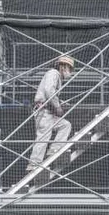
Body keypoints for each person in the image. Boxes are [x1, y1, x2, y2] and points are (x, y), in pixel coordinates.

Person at [26, 56, 74, 188]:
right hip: (44, 112)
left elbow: (51, 93)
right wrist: (58, 106)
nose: (69, 72)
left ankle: (54, 150)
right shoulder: (53, 73)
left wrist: (60, 103)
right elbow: (49, 91)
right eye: (69, 68)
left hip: (48, 113)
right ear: (62, 66)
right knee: (43, 137)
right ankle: (33, 165)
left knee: (65, 125)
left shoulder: (56, 76)